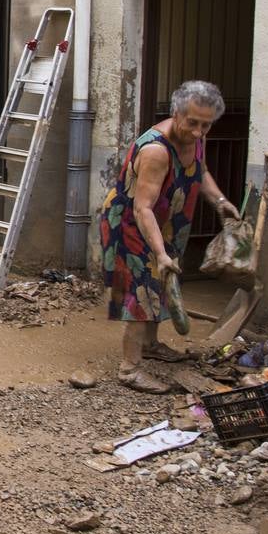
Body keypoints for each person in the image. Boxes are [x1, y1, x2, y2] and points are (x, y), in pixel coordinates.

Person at [99, 80, 240, 393]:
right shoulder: (156, 152)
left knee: (163, 281)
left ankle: (150, 344)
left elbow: (200, 172)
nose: (199, 132)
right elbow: (142, 208)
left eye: (206, 125)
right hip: (133, 223)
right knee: (143, 290)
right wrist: (160, 253)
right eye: (192, 123)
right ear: (176, 114)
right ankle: (129, 368)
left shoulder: (195, 138)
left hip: (167, 222)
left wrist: (220, 201)